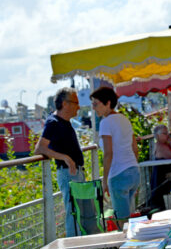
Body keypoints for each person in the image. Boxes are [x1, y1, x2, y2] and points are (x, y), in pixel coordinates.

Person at [34, 87, 85, 237]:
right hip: (68, 173)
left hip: (74, 172)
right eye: (76, 102)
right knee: (73, 213)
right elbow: (40, 148)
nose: (79, 106)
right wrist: (64, 157)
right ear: (65, 104)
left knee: (78, 212)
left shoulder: (65, 122)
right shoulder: (53, 122)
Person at [90, 86, 140, 219]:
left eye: (96, 104)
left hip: (118, 174)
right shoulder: (124, 119)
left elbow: (108, 153)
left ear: (107, 103)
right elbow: (135, 148)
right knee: (130, 219)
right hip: (133, 171)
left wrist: (104, 180)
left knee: (122, 221)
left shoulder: (105, 122)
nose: (93, 108)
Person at [147, 125, 171, 211]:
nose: (168, 135)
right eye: (165, 133)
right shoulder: (160, 146)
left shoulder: (165, 145)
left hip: (165, 181)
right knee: (160, 202)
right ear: (158, 135)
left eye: (168, 133)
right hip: (160, 183)